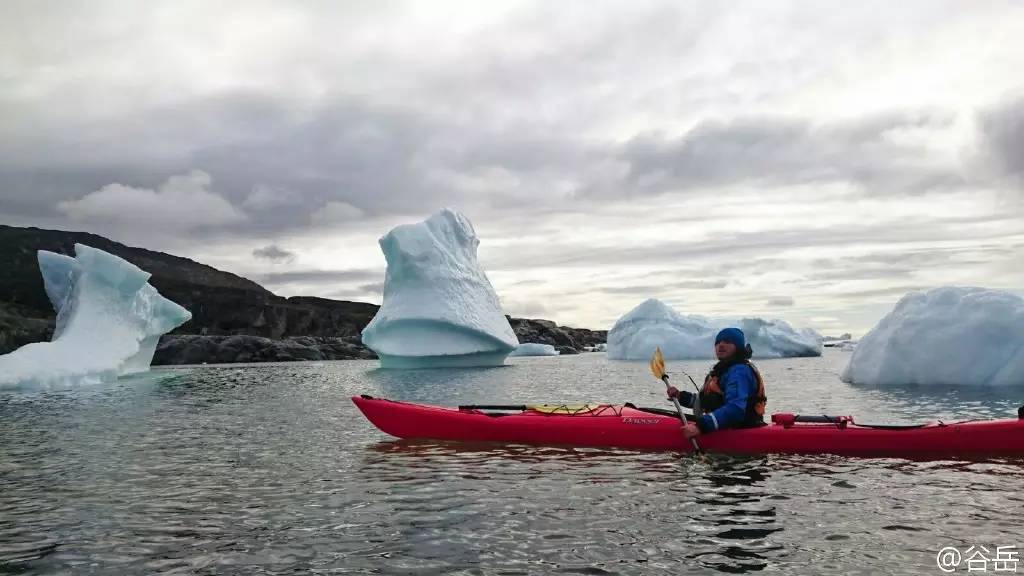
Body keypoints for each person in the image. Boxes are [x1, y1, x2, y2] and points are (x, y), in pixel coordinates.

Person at [666, 327, 767, 439]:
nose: (721, 345)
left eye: (728, 341)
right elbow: (706, 402)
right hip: (724, 427)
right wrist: (680, 396)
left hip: (742, 431)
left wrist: (700, 427)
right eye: (718, 342)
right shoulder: (723, 370)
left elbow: (736, 410)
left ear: (738, 346)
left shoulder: (739, 372)